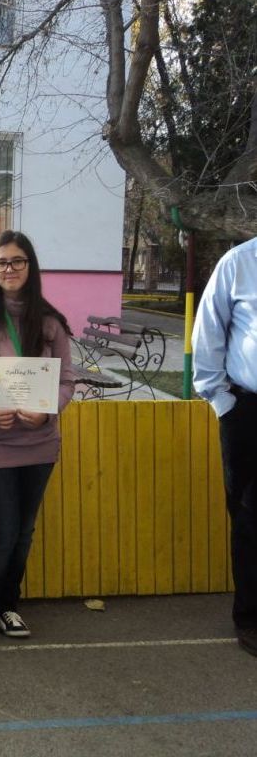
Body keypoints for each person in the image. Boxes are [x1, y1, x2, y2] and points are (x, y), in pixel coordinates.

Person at [0, 230, 74, 642]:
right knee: (3, 531)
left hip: (40, 445)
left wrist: (47, 412)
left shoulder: (49, 322)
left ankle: (9, 607)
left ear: (30, 266)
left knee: (24, 532)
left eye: (17, 261)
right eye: (1, 262)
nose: (9, 269)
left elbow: (66, 381)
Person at [192, 236, 257, 658]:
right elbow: (208, 333)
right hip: (249, 411)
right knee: (251, 518)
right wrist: (222, 402)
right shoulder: (239, 262)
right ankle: (250, 618)